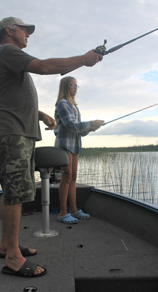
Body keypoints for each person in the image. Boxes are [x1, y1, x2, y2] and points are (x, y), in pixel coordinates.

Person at [0, 16, 103, 278]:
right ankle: (13, 258)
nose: (28, 34)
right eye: (24, 31)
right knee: (16, 193)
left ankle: (8, 245)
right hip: (12, 135)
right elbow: (44, 66)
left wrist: (39, 115)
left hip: (18, 133)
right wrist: (84, 60)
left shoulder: (8, 58)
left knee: (12, 191)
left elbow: (8, 97)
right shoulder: (7, 51)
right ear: (9, 30)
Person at [54, 76, 104, 224]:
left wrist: (91, 128)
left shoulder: (75, 107)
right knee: (67, 177)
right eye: (72, 85)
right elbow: (70, 125)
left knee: (73, 178)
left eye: (77, 86)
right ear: (65, 87)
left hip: (75, 145)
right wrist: (90, 123)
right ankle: (63, 212)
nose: (75, 88)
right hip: (64, 145)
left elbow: (79, 131)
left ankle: (74, 210)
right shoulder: (62, 104)